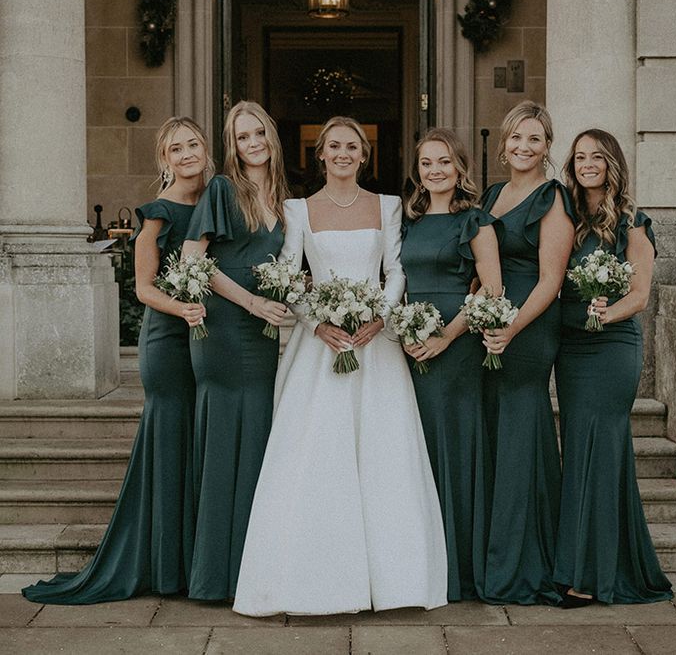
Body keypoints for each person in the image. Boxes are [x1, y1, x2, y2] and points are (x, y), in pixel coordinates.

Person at [233, 117, 447, 617]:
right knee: (317, 455)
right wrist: (316, 323)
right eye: (334, 146)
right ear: (320, 154)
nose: (344, 153)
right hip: (321, 348)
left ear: (365, 154)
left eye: (353, 146)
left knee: (383, 456)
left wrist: (378, 317)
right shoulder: (298, 210)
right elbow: (289, 273)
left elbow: (395, 269)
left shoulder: (388, 206)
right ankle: (317, 580)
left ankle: (396, 581)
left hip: (377, 346)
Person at [23, 117, 212, 604]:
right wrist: (185, 308)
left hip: (210, 343)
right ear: (163, 160)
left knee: (200, 447)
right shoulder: (156, 214)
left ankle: (197, 559)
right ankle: (165, 567)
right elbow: (144, 288)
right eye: (176, 149)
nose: (187, 154)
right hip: (169, 342)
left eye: (193, 144)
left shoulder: (219, 201)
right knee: (171, 449)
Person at [553, 129, 673, 607]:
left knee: (601, 455)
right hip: (570, 352)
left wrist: (603, 313)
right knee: (579, 451)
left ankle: (591, 578)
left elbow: (640, 295)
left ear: (611, 164)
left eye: (596, 156)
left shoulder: (632, 222)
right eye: (579, 156)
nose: (587, 164)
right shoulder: (567, 216)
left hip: (610, 349)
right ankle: (587, 565)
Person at [182, 101, 290, 601]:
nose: (251, 144)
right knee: (226, 442)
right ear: (233, 144)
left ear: (271, 137)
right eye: (241, 137)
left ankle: (253, 570)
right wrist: (251, 302)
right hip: (225, 328)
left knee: (259, 442)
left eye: (258, 134)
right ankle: (212, 577)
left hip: (264, 333)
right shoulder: (224, 189)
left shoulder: (286, 197)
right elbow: (193, 261)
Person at [475, 101, 574, 605]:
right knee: (494, 433)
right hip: (489, 325)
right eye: (516, 137)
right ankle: (493, 558)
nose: (522, 147)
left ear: (547, 146)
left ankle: (522, 566)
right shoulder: (493, 195)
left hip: (528, 328)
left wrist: (510, 328)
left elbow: (551, 280)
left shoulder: (552, 198)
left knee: (519, 432)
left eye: (534, 139)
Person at [400, 128, 502, 601]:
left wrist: (447, 336)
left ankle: (459, 569)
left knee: (455, 447)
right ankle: (421, 564)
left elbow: (492, 288)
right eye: (426, 163)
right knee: (416, 450)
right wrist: (405, 331)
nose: (434, 171)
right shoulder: (410, 222)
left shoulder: (476, 221)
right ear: (417, 171)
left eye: (443, 162)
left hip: (456, 349)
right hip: (411, 344)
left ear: (459, 168)